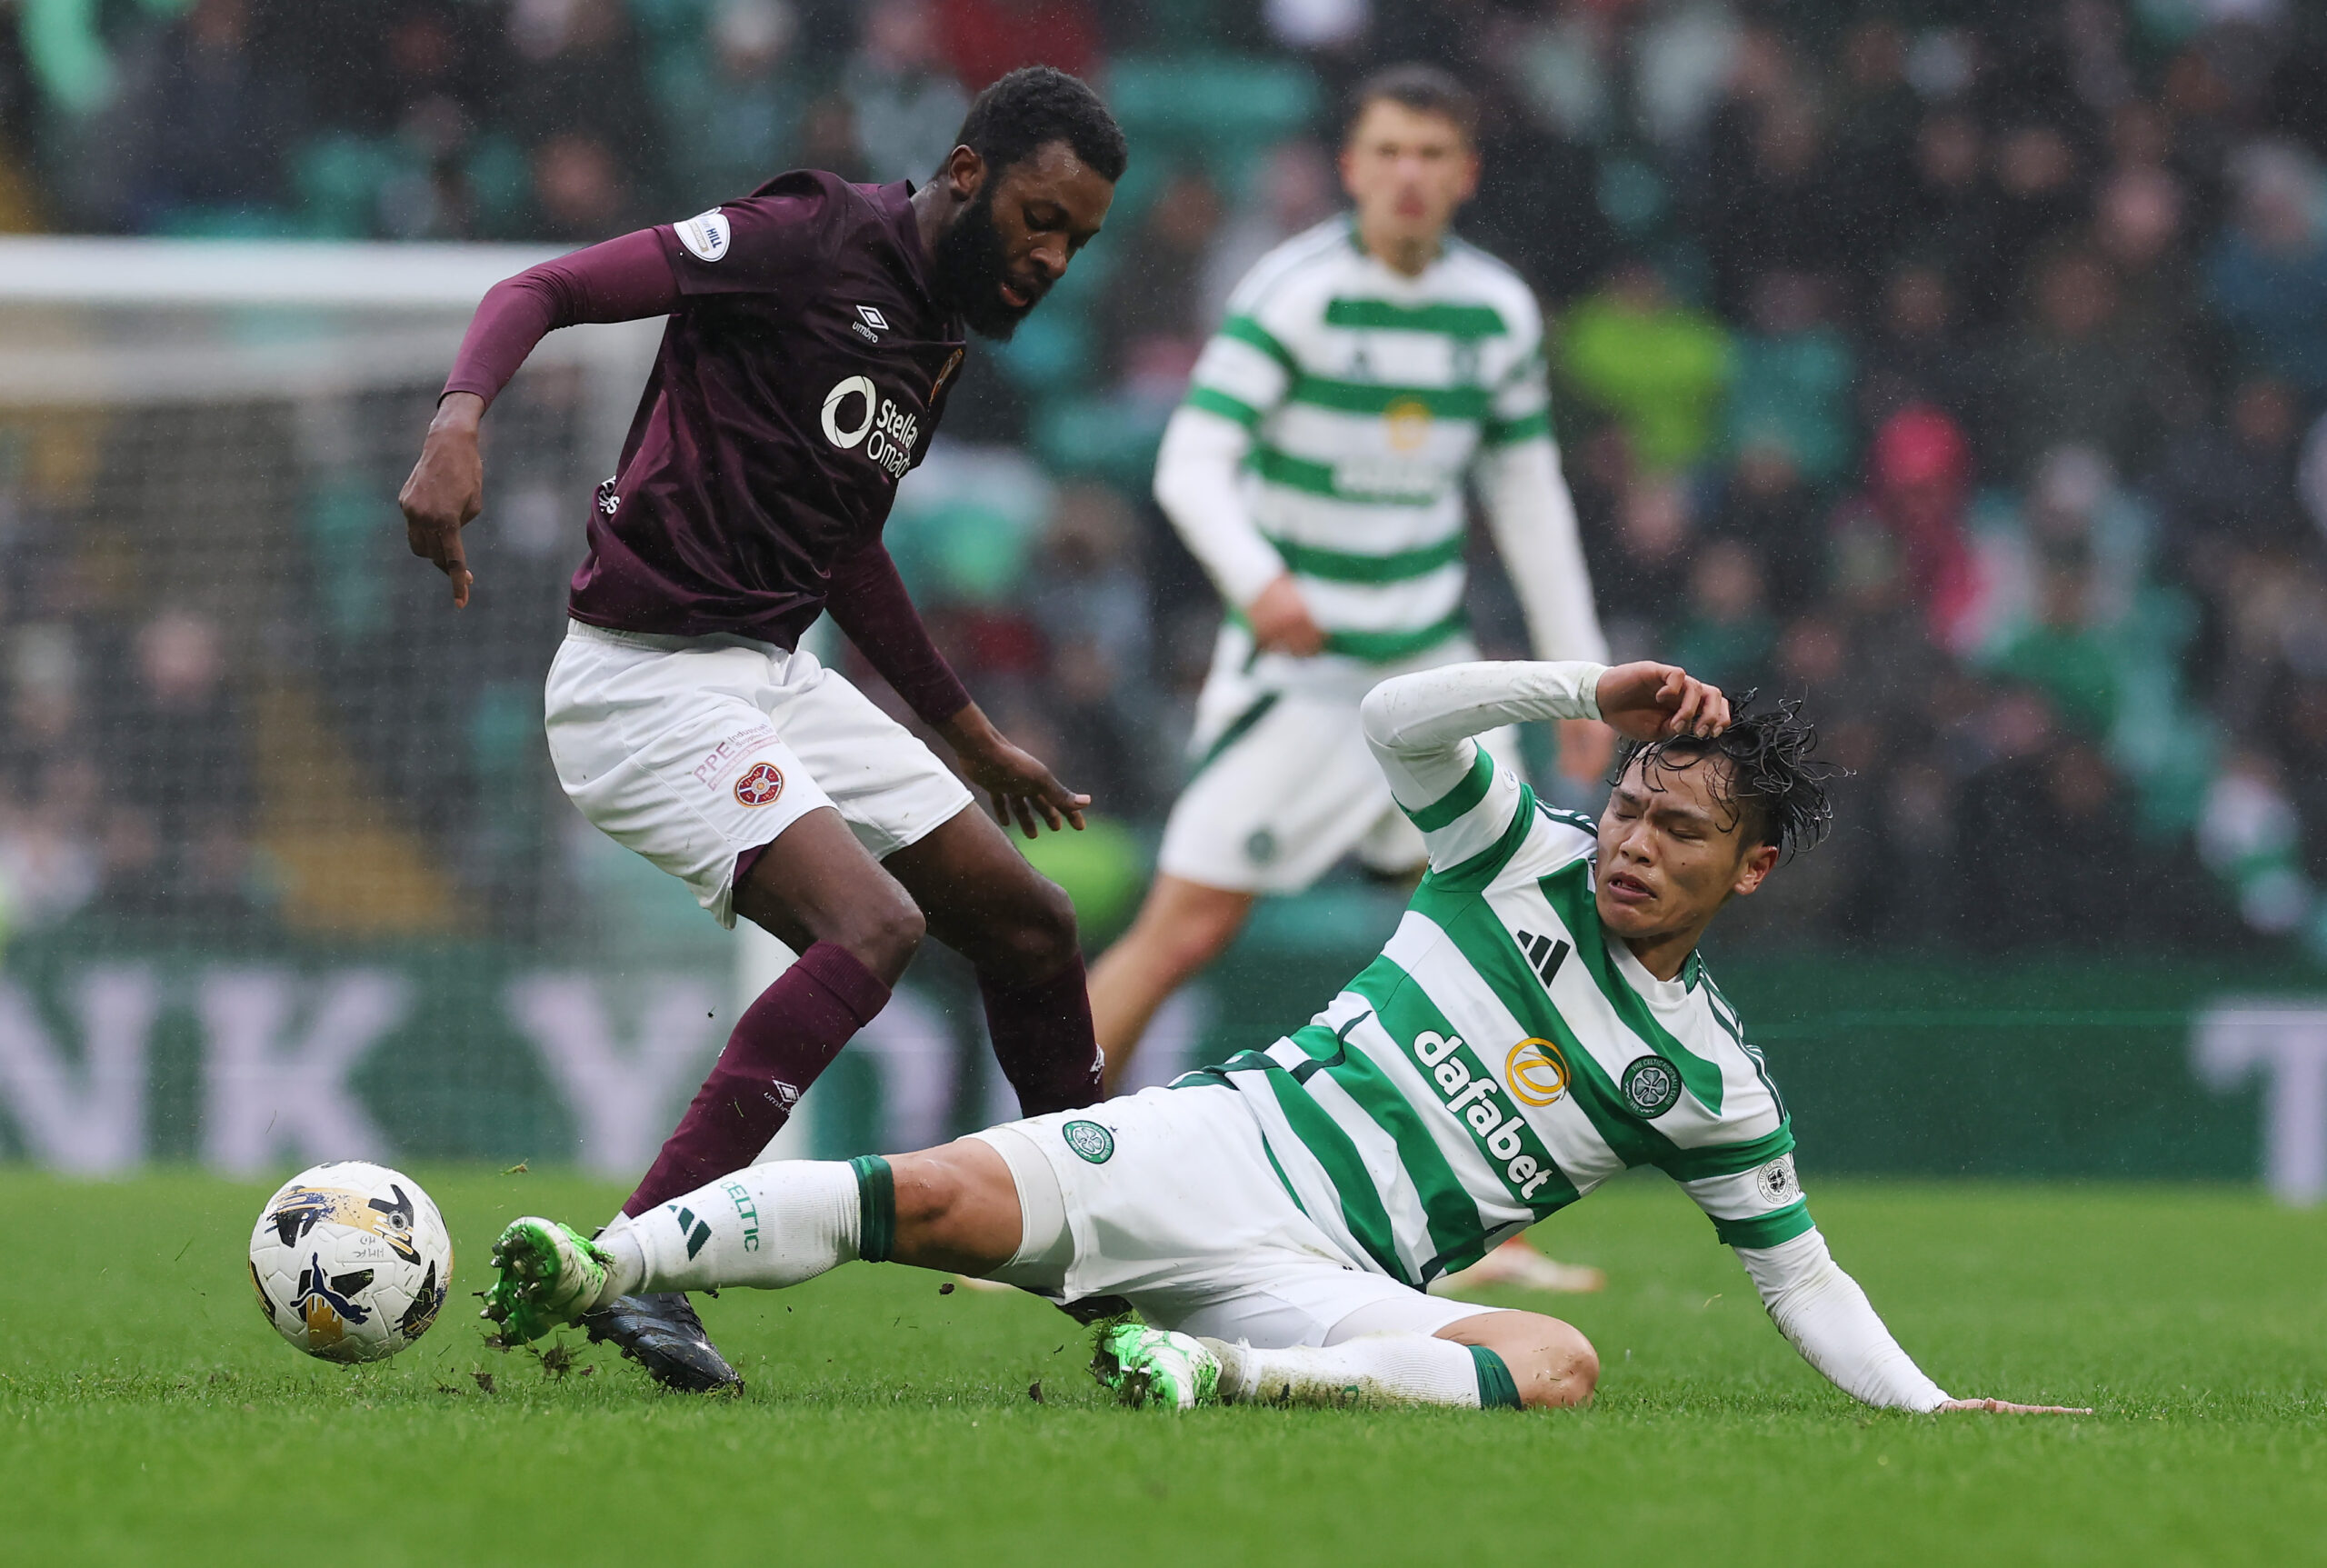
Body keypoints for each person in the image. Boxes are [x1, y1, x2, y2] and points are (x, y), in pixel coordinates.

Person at [481, 659, 2084, 1419]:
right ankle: (604, 1261)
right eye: (1633, 800)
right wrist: (1576, 688)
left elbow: (1798, 1272)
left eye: (1678, 830)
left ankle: (1213, 1371)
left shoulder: (1714, 1082)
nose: (1632, 839)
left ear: (1753, 872)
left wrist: (1932, 1413)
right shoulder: (1509, 849)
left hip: (1328, 1281)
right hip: (1217, 1145)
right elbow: (1392, 720)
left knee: (1561, 1364)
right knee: (931, 1195)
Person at [396, 67, 1125, 1394]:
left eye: (1076, 240)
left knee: (1032, 924)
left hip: (772, 673)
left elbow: (845, 548)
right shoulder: (800, 241)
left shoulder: (935, 335)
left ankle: (1111, 1262)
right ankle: (636, 1265)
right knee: (876, 927)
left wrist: (967, 734)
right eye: (1037, 217)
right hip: (641, 681)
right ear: (965, 174)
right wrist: (458, 425)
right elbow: (538, 291)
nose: (1050, 256)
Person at [1085, 64, 1611, 1293]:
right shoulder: (1297, 293)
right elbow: (1194, 458)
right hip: (1301, 680)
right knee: (1186, 926)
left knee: (1491, 935)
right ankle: (1045, 1159)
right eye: (1389, 152)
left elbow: (1526, 497)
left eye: (1433, 153)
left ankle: (1482, 1229)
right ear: (1352, 166)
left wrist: (1575, 675)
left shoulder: (1497, 313)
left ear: (1465, 172)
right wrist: (1257, 575)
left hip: (1433, 676)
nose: (1410, 174)